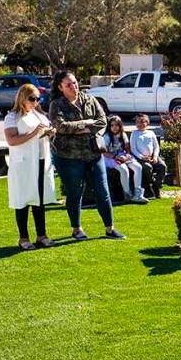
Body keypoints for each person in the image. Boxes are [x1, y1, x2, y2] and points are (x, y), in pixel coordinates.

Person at [48, 70, 125, 240]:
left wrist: (81, 128)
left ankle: (110, 228)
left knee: (102, 191)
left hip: (93, 154)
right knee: (75, 193)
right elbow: (61, 127)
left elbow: (103, 120)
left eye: (74, 82)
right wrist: (86, 124)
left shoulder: (89, 99)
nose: (73, 86)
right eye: (68, 85)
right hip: (68, 157)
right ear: (61, 87)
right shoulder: (57, 104)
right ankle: (77, 229)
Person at [4, 83, 57, 250]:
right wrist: (34, 133)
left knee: (39, 200)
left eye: (38, 98)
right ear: (22, 98)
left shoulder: (38, 115)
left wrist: (50, 132)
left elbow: (43, 132)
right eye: (32, 98)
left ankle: (42, 235)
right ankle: (23, 237)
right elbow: (12, 140)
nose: (36, 102)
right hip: (23, 164)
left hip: (40, 160)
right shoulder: (12, 117)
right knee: (23, 199)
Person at [103, 115, 148, 204]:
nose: (114, 127)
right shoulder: (107, 136)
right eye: (112, 125)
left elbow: (127, 148)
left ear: (120, 126)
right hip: (110, 157)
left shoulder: (123, 135)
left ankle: (138, 194)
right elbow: (104, 152)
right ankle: (127, 194)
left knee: (138, 167)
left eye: (117, 125)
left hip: (123, 155)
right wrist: (116, 157)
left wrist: (127, 155)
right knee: (124, 169)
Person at [130, 113, 166, 199]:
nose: (140, 124)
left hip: (153, 156)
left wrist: (155, 156)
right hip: (141, 158)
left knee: (162, 166)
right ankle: (152, 185)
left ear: (147, 123)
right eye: (138, 122)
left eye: (143, 122)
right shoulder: (134, 134)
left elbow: (156, 146)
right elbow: (133, 149)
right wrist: (142, 157)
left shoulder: (151, 133)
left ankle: (157, 186)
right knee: (147, 167)